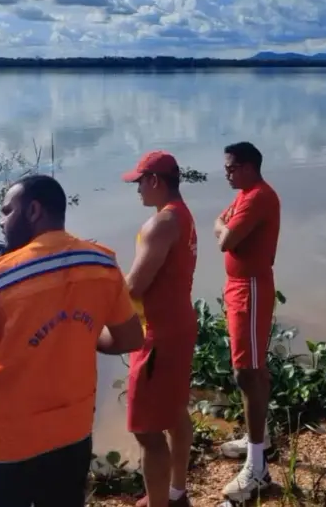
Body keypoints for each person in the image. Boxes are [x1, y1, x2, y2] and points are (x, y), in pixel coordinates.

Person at [0, 174, 144, 507]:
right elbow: (131, 336)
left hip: (7, 441)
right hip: (71, 433)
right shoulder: (102, 263)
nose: (2, 221)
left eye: (7, 211)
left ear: (33, 210)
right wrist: (81, 335)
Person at [121, 151, 198, 507]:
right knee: (175, 411)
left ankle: (159, 503)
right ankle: (175, 492)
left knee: (146, 429)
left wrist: (98, 281)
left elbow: (133, 287)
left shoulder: (162, 224)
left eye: (139, 182)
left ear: (155, 181)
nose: (137, 190)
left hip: (157, 336)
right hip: (179, 324)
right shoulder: (183, 216)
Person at [213, 142, 280, 501]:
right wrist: (223, 227)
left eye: (231, 167)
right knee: (249, 369)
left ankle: (258, 469)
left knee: (248, 372)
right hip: (239, 286)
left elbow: (225, 239)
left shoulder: (257, 197)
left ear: (249, 166)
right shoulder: (245, 195)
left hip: (251, 288)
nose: (226, 172)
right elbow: (220, 225)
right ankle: (261, 438)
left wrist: (224, 230)